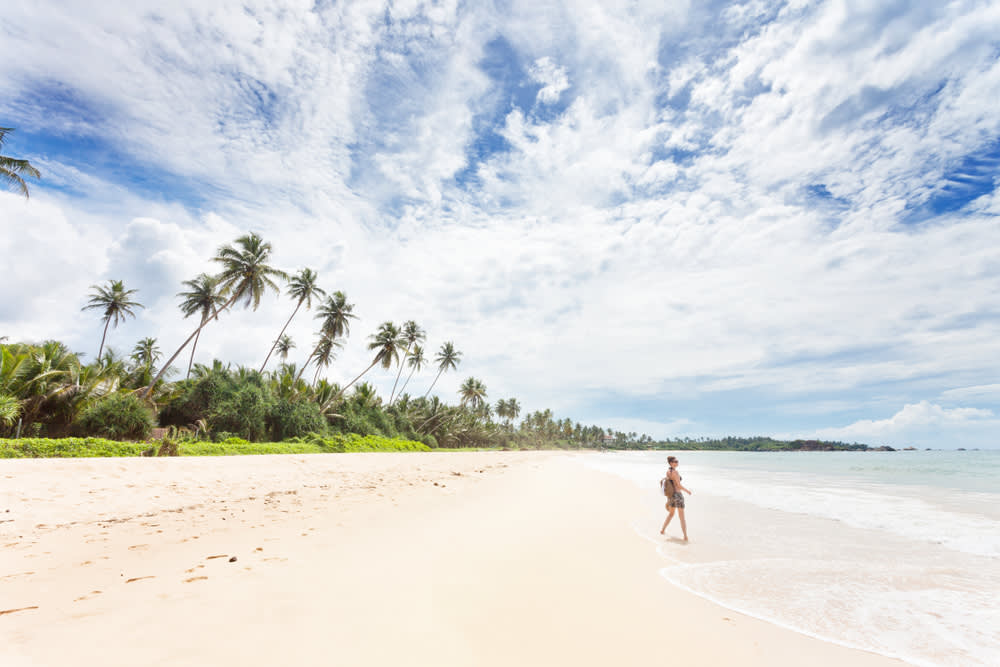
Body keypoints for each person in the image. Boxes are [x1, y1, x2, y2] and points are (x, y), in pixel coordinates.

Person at [660, 456, 692, 541]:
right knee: (682, 517)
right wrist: (687, 491)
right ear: (671, 463)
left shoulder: (668, 472)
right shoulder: (675, 472)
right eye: (675, 461)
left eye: (677, 461)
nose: (677, 462)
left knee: (671, 514)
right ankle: (685, 536)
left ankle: (662, 530)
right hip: (677, 495)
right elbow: (678, 485)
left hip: (671, 496)